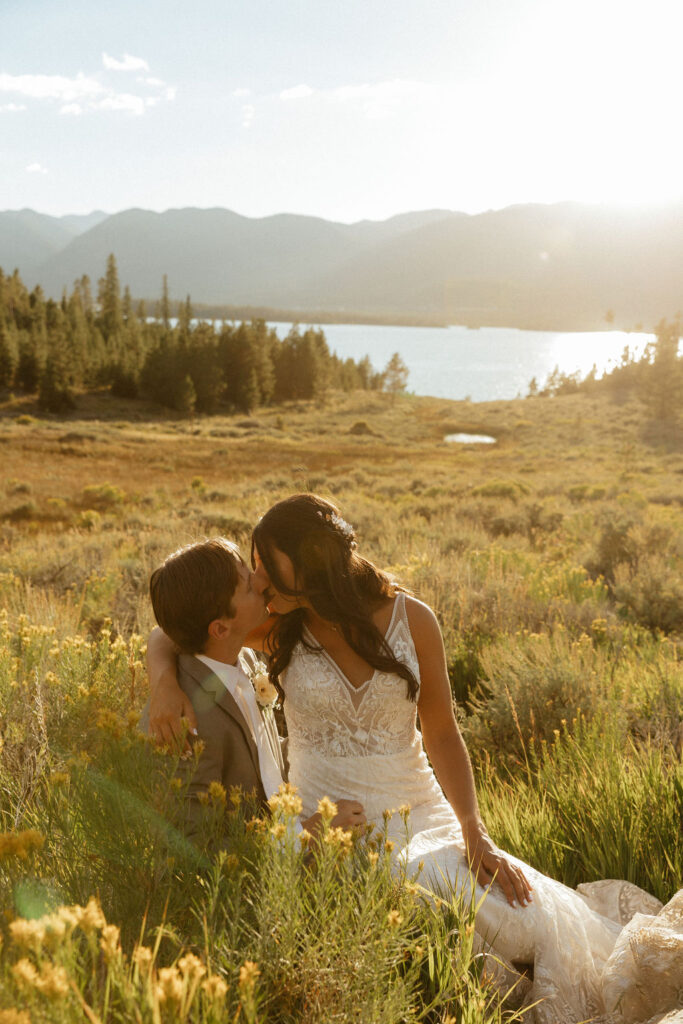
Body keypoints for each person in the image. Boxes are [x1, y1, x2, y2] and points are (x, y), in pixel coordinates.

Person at [148, 498, 682, 1024]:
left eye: (266, 565)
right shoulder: (279, 623)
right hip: (326, 818)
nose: (258, 579)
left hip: (418, 808)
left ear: (310, 566)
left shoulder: (413, 620)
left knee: (525, 915)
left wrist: (475, 832)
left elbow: (443, 733)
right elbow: (180, 629)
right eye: (253, 568)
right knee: (422, 903)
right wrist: (162, 681)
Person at [146, 536, 366, 842]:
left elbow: (259, 754)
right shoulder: (186, 722)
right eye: (247, 585)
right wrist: (308, 833)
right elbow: (194, 848)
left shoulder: (243, 657)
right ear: (220, 628)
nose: (261, 581)